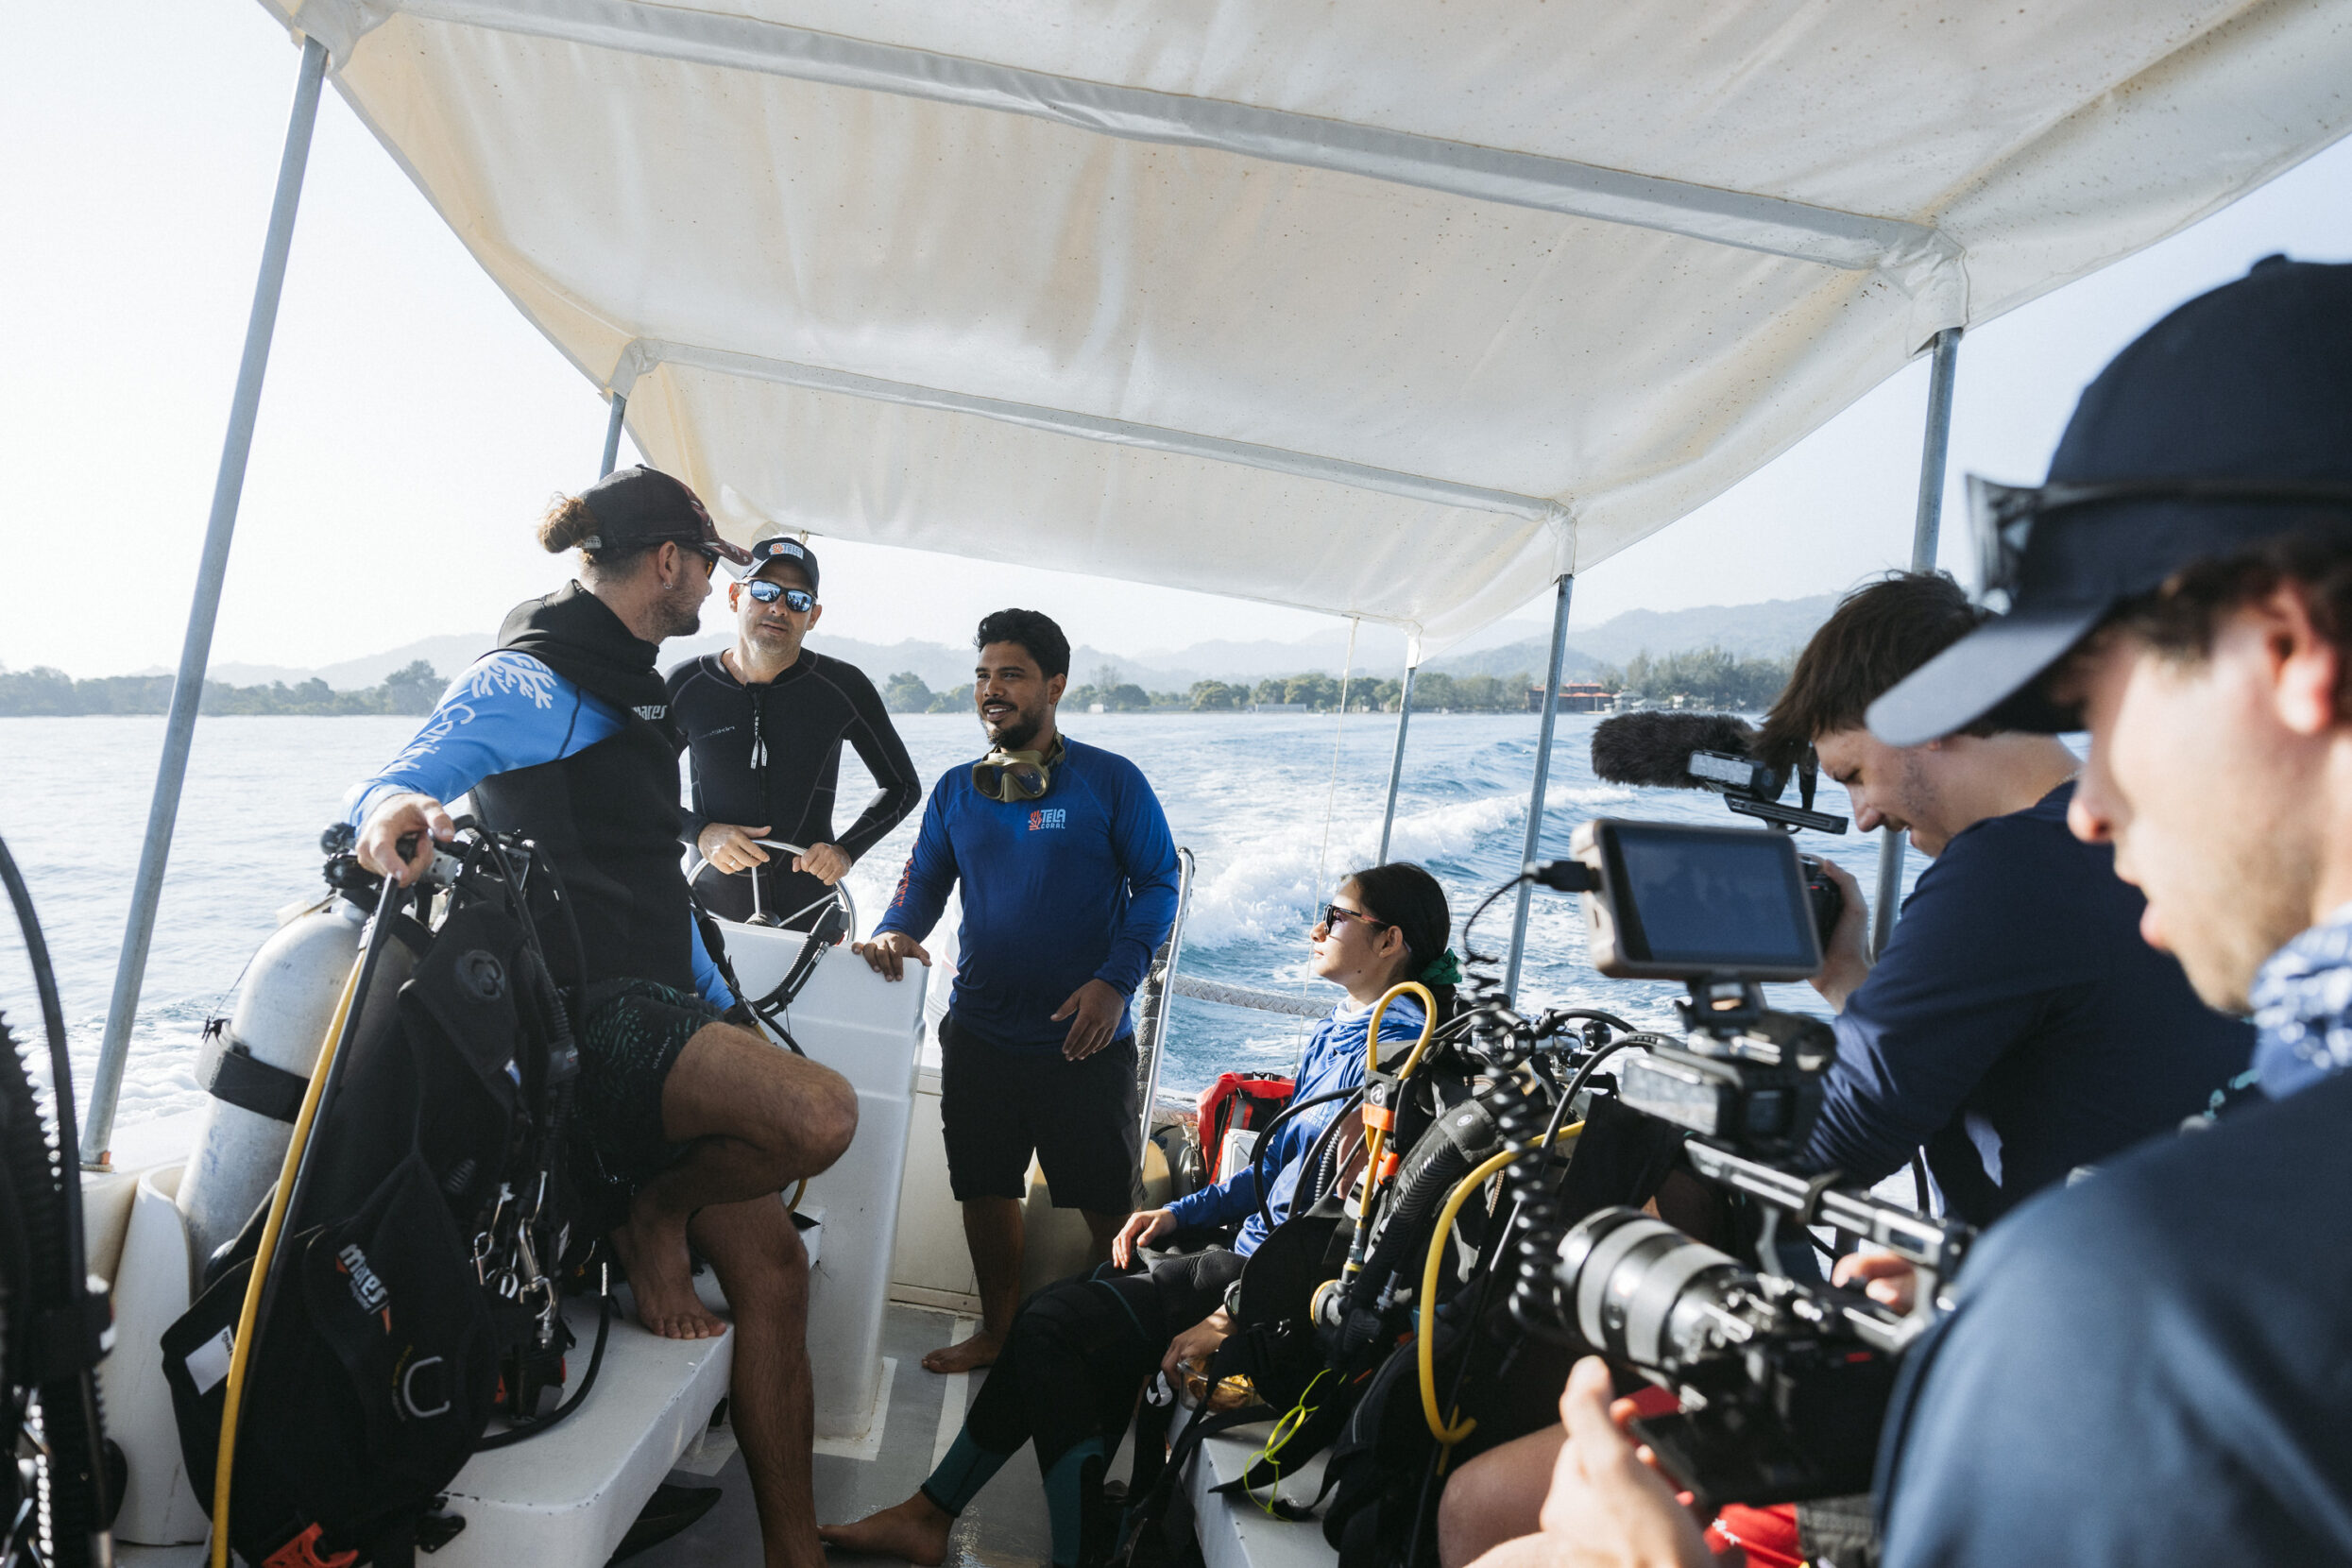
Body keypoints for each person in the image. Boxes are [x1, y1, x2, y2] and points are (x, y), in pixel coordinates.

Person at [1470, 257, 2352, 1568]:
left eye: (2101, 712)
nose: (2095, 810)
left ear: (2284, 656)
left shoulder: (2139, 1298)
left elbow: (1841, 1130)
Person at [1436, 570, 2252, 1568]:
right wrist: (1849, 978)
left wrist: (1682, 1098)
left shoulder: (2004, 872)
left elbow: (1831, 1141)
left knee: (1482, 1514)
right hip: (2101, 1355)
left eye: (1856, 770)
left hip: (2008, 1399)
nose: (1862, 817)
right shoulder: (2129, 844)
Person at [344, 465, 860, 1568]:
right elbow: (399, 779)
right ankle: (653, 1215)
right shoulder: (533, 678)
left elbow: (649, 884)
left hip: (663, 1012)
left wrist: (728, 1009)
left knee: (776, 1268)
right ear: (667, 563)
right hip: (591, 1028)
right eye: (708, 567)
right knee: (823, 1116)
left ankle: (796, 1557)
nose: (713, 589)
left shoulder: (629, 682)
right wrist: (392, 814)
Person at [820, 864, 1459, 1568]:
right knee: (1065, 1317)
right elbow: (1276, 1172)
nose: (1318, 929)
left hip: (1276, 1291)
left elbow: (1348, 1228)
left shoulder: (1397, 1057)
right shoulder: (1343, 1030)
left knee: (1049, 1329)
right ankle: (947, 1519)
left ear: (1390, 940)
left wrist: (1235, 1313)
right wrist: (1177, 1215)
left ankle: (1024, 1539)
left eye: (1337, 917)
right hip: (1250, 1261)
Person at [856, 607, 1182, 1372]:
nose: (991, 690)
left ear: (1054, 686)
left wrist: (1114, 981)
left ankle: (1122, 1341)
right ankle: (999, 1333)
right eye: (982, 676)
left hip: (1085, 1041)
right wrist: (897, 929)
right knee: (985, 1189)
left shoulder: (1110, 781)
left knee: (1107, 1203)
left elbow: (1159, 883)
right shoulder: (955, 793)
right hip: (981, 1034)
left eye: (1011, 674)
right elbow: (922, 885)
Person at [668, 535, 921, 929]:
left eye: (797, 600)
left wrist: (845, 851)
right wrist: (700, 833)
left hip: (810, 916)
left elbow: (903, 786)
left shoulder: (842, 687)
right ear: (735, 597)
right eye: (765, 591)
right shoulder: (686, 685)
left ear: (813, 616)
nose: (778, 608)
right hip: (711, 915)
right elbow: (635, 789)